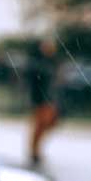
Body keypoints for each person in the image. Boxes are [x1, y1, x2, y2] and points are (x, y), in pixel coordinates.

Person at [26, 35, 62, 166]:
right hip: (41, 99)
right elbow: (35, 82)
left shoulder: (53, 62)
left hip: (50, 99)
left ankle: (35, 150)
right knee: (40, 125)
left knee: (48, 124)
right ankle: (34, 151)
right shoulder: (38, 63)